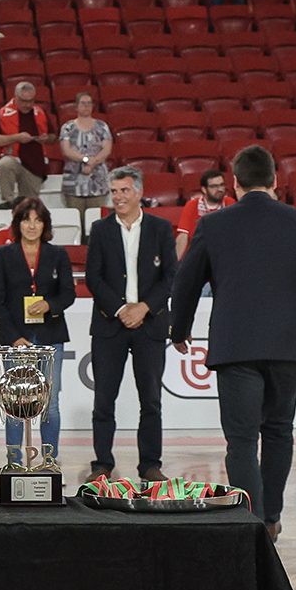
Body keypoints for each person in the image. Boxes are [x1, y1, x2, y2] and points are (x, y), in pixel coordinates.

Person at [169, 146, 296, 535]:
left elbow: (186, 281)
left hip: (236, 347)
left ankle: (250, 520)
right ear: (276, 180)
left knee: (241, 440)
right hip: (288, 346)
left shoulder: (215, 224)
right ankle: (272, 517)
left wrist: (179, 329)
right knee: (279, 431)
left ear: (235, 184)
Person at [83, 168, 176, 483]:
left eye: (124, 190)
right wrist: (122, 308)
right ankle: (102, 464)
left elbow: (170, 278)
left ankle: (150, 464)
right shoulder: (100, 229)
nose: (118, 196)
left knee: (150, 399)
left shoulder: (162, 229)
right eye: (114, 191)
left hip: (150, 325)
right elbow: (93, 277)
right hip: (110, 326)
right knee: (103, 399)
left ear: (138, 192)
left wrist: (145, 308)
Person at [0, 197, 75, 467]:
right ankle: (13, 461)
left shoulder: (57, 254)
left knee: (50, 403)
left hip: (50, 337)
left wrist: (50, 304)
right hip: (16, 339)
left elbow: (69, 294)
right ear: (18, 223)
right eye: (27, 219)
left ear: (45, 224)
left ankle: (50, 460)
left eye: (38, 220)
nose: (32, 225)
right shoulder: (4, 255)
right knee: (15, 402)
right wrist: (14, 337)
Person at [0, 81, 52, 205]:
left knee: (30, 203)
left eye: (31, 101)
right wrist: (16, 137)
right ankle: (8, 201)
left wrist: (46, 138)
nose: (28, 104)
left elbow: (53, 136)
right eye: (24, 101)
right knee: (5, 164)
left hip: (35, 161)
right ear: (16, 97)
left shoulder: (40, 112)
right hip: (14, 157)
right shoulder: (3, 113)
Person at [58, 93, 113, 210]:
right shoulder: (67, 127)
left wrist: (93, 162)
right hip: (74, 183)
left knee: (96, 220)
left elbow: (106, 149)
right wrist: (86, 159)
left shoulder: (102, 126)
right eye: (83, 103)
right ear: (76, 106)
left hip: (97, 182)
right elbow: (66, 150)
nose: (86, 106)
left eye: (89, 103)